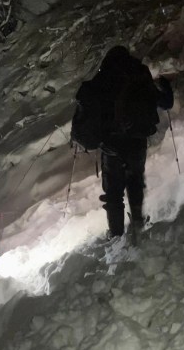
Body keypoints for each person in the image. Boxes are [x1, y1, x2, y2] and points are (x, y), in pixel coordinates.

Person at [73, 45, 173, 241]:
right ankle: (137, 223)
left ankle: (116, 234)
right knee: (135, 180)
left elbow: (91, 106)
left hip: (112, 143)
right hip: (137, 140)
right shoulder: (140, 75)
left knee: (113, 191)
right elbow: (165, 103)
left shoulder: (104, 78)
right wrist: (165, 86)